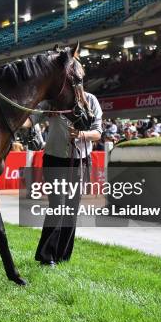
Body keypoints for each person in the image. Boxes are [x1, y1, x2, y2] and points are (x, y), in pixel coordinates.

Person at [35, 91, 103, 266]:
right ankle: (46, 256)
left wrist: (81, 134)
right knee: (57, 205)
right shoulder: (51, 99)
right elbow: (31, 119)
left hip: (80, 160)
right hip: (54, 158)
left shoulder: (90, 100)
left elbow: (97, 133)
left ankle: (62, 255)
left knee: (72, 207)